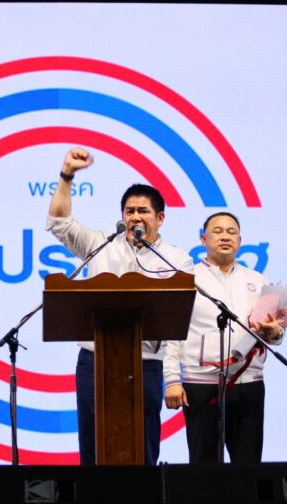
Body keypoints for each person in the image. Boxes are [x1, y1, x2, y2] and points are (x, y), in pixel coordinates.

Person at [46, 147, 193, 466]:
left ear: (159, 218)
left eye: (143, 211)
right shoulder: (102, 244)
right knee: (92, 449)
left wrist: (172, 376)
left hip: (146, 363)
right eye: (129, 211)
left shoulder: (177, 259)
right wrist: (67, 175)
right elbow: (59, 222)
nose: (135, 217)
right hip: (94, 361)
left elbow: (178, 322)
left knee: (143, 450)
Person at [163, 212, 284, 463]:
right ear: (203, 238)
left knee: (248, 464)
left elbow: (273, 331)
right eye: (217, 231)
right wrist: (172, 380)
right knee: (203, 464)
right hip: (200, 384)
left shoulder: (259, 281)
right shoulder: (187, 279)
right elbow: (171, 335)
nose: (225, 236)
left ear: (240, 240)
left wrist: (276, 333)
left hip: (249, 382)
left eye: (231, 232)